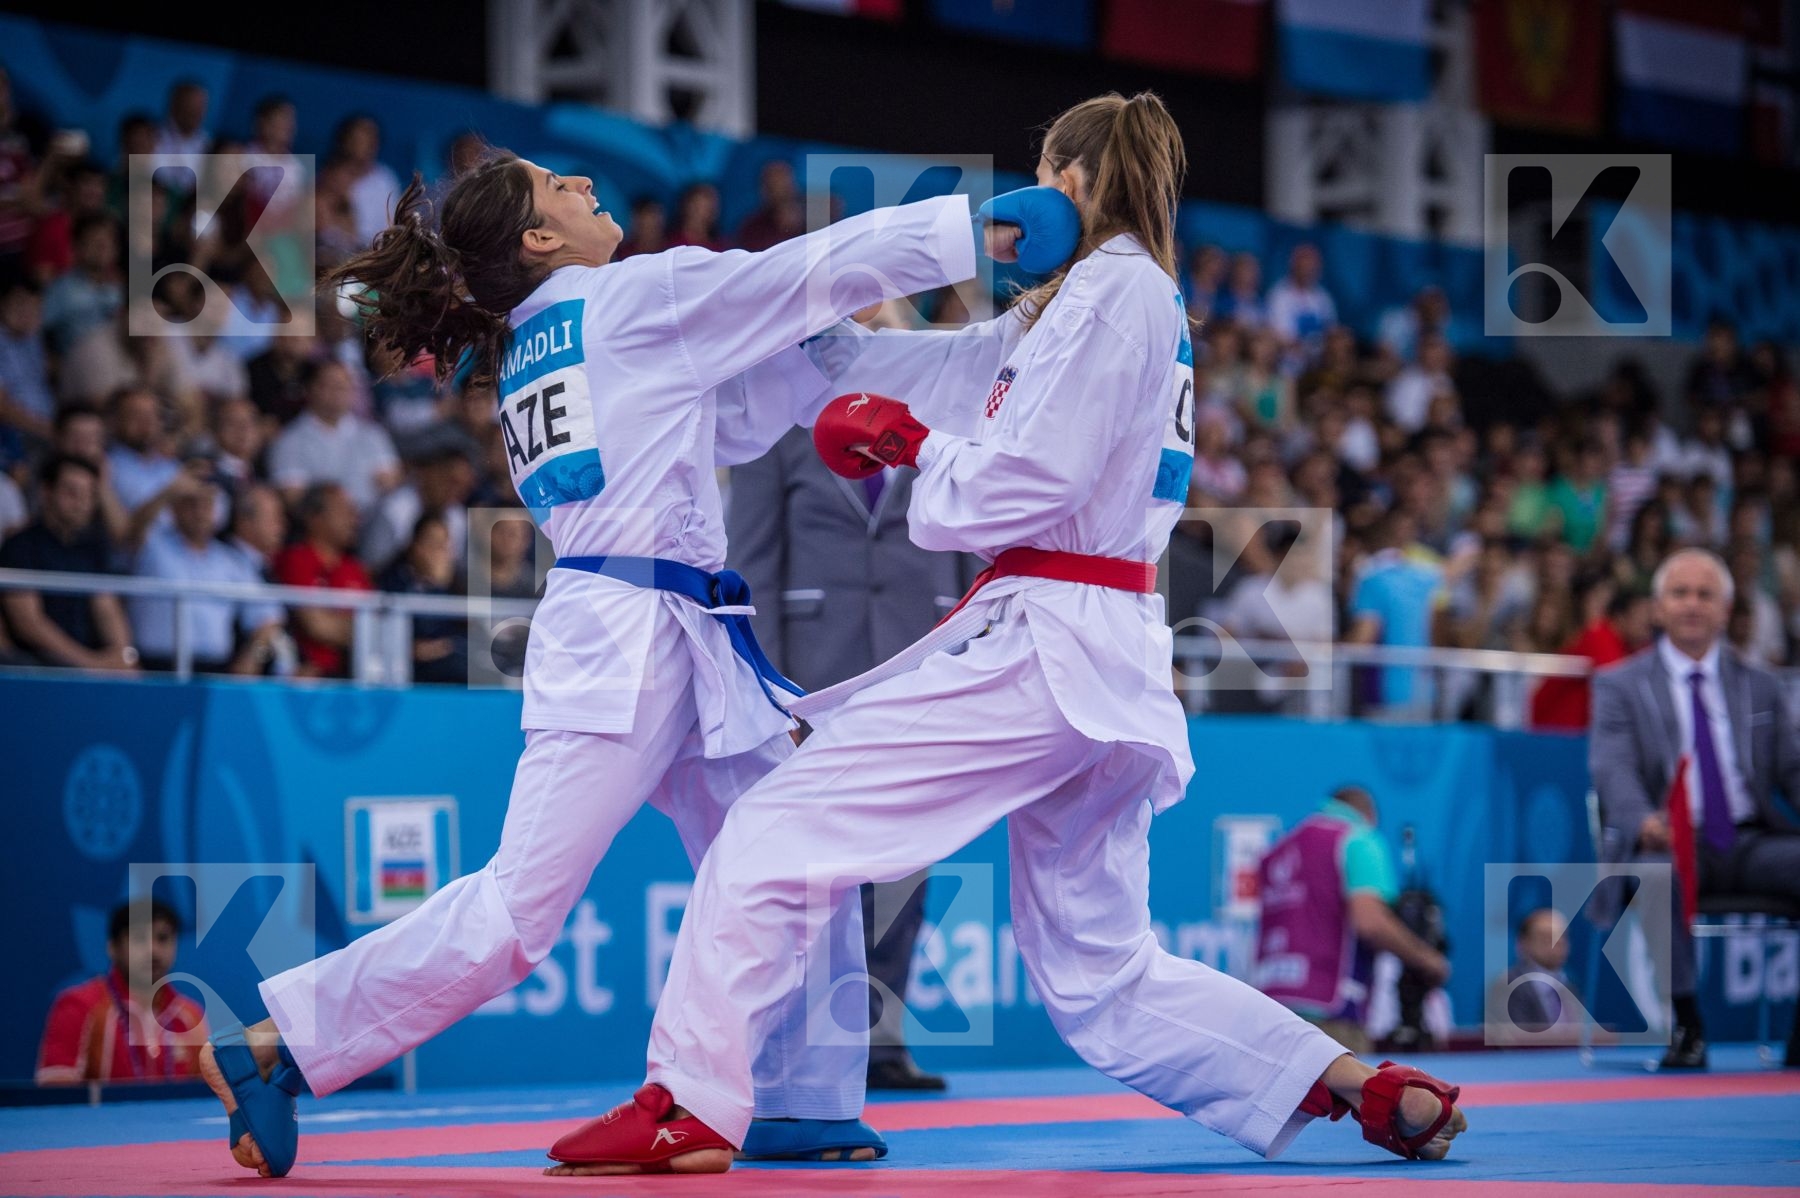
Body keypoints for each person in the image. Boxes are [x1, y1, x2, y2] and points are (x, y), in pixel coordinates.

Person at [553, 93, 1466, 1176]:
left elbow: (1025, 477)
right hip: (1094, 651)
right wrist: (812, 356)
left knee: (771, 829)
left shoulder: (1116, 291)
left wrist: (912, 448)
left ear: (1070, 179)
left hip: (1049, 639)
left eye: (1043, 172)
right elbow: (959, 367)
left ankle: (689, 1104)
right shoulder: (1091, 302)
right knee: (1103, 979)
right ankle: (1359, 1086)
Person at [193, 148, 987, 1179]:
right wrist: (976, 234)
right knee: (517, 914)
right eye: (559, 187)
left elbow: (751, 404)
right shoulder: (631, 300)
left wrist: (990, 358)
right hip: (629, 632)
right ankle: (275, 1040)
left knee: (795, 847)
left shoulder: (540, 341)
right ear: (538, 240)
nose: (583, 187)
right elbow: (809, 272)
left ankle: (798, 1096)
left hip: (669, 634)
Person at [727, 398, 972, 1092]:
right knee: (815, 863)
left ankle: (882, 1038)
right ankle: (798, 1044)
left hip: (917, 665)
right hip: (814, 674)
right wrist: (771, 687)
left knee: (905, 860)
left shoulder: (928, 423)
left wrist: (963, 659)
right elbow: (753, 561)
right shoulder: (771, 430)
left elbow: (960, 549)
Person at [1590, 548, 1800, 1070]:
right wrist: (1643, 819)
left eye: (1705, 594)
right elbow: (1612, 769)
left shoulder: (1762, 684)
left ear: (1726, 609)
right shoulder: (1620, 684)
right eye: (1680, 593)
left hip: (1751, 841)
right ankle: (1687, 1025)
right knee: (1659, 874)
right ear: (1657, 608)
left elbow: (1791, 771)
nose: (1692, 604)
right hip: (1670, 840)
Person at [1254, 786, 1450, 1054]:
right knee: (1347, 1094)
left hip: (1270, 1005)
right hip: (1331, 1007)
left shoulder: (1279, 850)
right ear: (1369, 815)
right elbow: (1370, 921)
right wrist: (1428, 959)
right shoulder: (1357, 839)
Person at [36, 900, 208, 1085]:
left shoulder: (191, 1015)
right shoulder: (79, 1005)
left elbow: (203, 1097)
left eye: (163, 938)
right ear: (113, 948)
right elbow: (56, 1099)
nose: (153, 950)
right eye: (139, 939)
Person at [130, 470, 284, 674]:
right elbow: (129, 534)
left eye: (208, 505)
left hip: (215, 669)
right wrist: (169, 491)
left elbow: (269, 618)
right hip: (154, 666)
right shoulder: (152, 546)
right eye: (191, 504)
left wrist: (252, 659)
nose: (200, 512)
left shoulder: (231, 561)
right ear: (174, 509)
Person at [0, 454, 138, 673]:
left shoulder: (93, 548)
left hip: (87, 664)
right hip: (33, 668)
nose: (82, 503)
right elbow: (29, 624)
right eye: (72, 493)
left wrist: (124, 656)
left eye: (89, 495)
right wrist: (90, 664)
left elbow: (106, 608)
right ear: (46, 491)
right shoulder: (20, 546)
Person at [267, 360, 401, 513]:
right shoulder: (289, 440)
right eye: (329, 385)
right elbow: (292, 497)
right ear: (310, 389)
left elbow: (390, 482)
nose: (337, 392)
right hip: (319, 526)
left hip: (369, 521)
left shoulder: (373, 434)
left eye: (343, 386)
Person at [271, 482, 373, 678]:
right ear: (314, 518)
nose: (354, 519)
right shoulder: (296, 559)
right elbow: (316, 626)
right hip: (308, 677)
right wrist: (359, 628)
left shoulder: (355, 568)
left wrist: (338, 624)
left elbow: (377, 627)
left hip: (356, 675)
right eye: (343, 511)